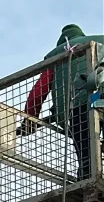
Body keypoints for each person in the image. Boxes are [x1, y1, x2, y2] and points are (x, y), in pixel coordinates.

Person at [21, 24, 104, 179]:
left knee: (85, 144)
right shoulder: (101, 41)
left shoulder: (56, 56)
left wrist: (30, 117)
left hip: (79, 106)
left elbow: (39, 91)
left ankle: (87, 176)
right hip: (100, 97)